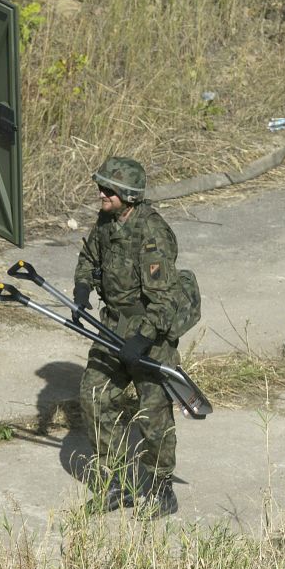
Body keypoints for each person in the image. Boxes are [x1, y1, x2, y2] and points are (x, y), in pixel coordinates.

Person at [73, 157, 182, 519]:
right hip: (113, 326)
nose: (101, 194)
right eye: (101, 187)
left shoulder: (153, 234)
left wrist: (144, 338)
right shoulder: (106, 221)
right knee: (94, 397)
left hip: (151, 334)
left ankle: (162, 487)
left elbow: (166, 300)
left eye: (109, 190)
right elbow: (90, 254)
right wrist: (82, 286)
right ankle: (118, 482)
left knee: (153, 413)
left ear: (129, 196)